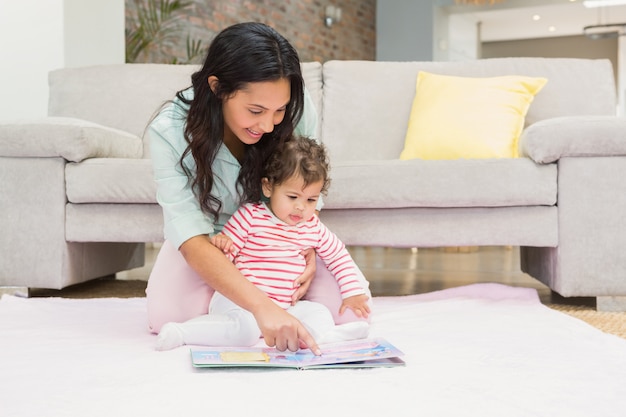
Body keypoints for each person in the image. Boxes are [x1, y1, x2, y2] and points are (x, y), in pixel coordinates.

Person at [146, 22, 372, 354]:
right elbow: (190, 235)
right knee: (165, 315)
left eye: (278, 110)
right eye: (255, 111)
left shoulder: (295, 104)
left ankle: (241, 309)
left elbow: (307, 180)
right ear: (218, 88)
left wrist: (304, 248)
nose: (268, 125)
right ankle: (237, 307)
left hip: (283, 239)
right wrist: (263, 307)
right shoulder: (169, 130)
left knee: (352, 310)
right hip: (213, 244)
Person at [155, 136, 371, 351]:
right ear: (268, 188)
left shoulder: (313, 227)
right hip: (239, 303)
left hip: (284, 307)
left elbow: (338, 256)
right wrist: (222, 244)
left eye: (310, 200)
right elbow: (226, 255)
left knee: (318, 312)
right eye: (293, 197)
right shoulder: (251, 216)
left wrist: (352, 292)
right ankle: (181, 332)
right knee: (246, 330)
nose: (301, 208)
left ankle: (324, 337)